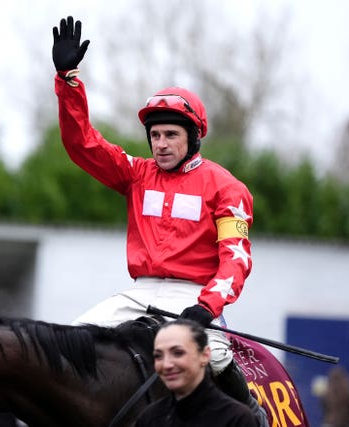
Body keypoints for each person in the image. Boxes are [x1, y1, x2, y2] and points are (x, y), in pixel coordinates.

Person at [52, 16, 264, 421]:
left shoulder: (227, 187)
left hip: (195, 296)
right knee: (67, 343)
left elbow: (236, 258)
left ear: (193, 137)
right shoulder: (136, 173)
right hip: (139, 292)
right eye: (155, 136)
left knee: (216, 356)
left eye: (171, 135)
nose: (161, 144)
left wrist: (208, 306)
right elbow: (82, 143)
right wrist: (68, 81)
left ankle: (251, 415)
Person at [135, 319, 258, 426]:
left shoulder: (238, 418)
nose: (166, 364)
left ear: (204, 355)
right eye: (158, 356)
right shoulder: (148, 418)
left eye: (178, 353)